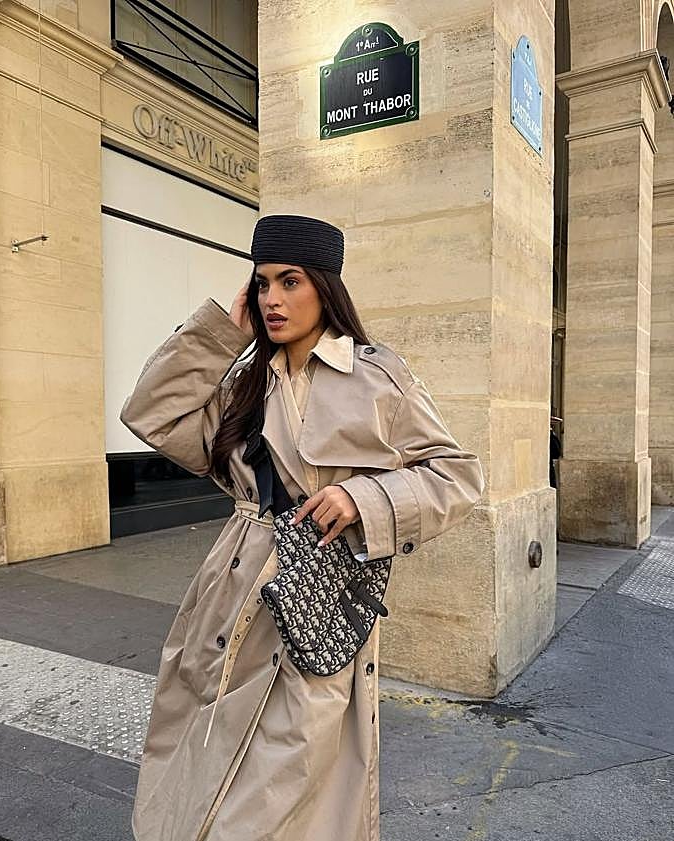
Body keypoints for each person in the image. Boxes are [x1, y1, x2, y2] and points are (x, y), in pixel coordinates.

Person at [120, 214, 485, 841]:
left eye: (290, 282)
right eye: (262, 285)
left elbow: (458, 478)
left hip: (314, 603)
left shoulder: (378, 376)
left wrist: (363, 496)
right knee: (201, 762)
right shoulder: (242, 381)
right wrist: (216, 336)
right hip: (229, 599)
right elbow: (150, 414)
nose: (273, 300)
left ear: (325, 286)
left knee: (286, 786)